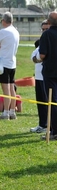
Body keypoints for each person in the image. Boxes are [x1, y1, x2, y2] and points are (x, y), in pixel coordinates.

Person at [0, 12, 20, 120]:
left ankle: (6, 113)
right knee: (12, 88)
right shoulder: (16, 32)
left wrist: (0, 46)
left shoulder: (4, 31)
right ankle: (12, 111)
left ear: (4, 21)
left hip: (3, 63)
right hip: (12, 63)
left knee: (6, 89)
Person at [39, 11, 57, 141]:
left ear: (49, 22)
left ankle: (55, 132)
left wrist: (35, 59)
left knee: (52, 102)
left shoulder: (46, 35)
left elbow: (42, 55)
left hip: (50, 73)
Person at [30, 20, 50, 133]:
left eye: (47, 29)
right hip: (39, 77)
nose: (45, 32)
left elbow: (39, 57)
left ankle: (49, 126)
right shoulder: (41, 42)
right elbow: (34, 57)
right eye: (43, 29)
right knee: (41, 102)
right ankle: (43, 124)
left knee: (49, 102)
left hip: (48, 77)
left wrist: (38, 58)